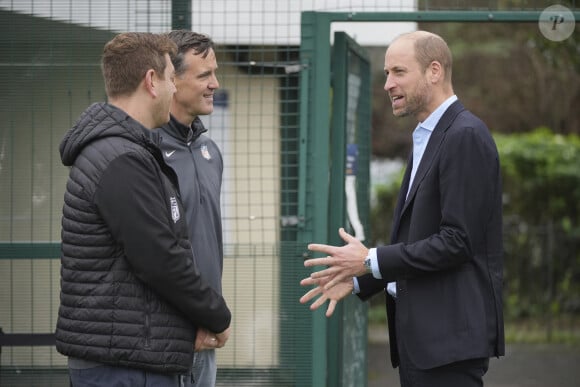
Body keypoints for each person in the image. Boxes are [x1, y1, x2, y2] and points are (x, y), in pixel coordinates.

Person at [300, 30, 504, 387]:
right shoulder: (430, 135)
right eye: (386, 74)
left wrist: (370, 261)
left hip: (448, 345)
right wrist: (363, 278)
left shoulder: (465, 135)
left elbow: (457, 242)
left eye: (398, 72)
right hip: (425, 343)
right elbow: (422, 239)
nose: (387, 84)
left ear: (434, 71)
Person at [56, 32, 231, 387]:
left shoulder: (126, 151)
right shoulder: (122, 158)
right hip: (124, 364)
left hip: (139, 353)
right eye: (170, 78)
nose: (172, 89)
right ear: (152, 81)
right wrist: (218, 314)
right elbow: (159, 258)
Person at [157, 29, 226, 387]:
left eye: (214, 73)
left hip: (206, 328)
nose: (215, 83)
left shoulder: (210, 151)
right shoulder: (144, 153)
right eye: (204, 75)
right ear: (171, 79)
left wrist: (211, 313)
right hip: (164, 334)